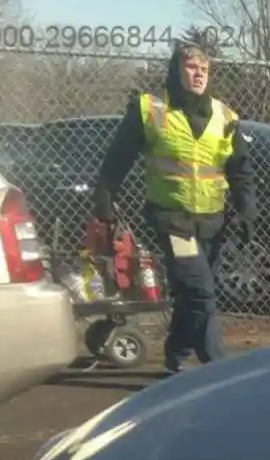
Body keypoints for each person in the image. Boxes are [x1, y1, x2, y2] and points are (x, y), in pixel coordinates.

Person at [90, 39, 256, 374]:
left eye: (204, 69)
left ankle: (176, 356)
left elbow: (240, 168)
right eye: (192, 67)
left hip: (212, 220)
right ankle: (216, 367)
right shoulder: (151, 109)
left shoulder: (224, 116)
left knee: (190, 295)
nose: (199, 75)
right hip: (172, 219)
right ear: (176, 70)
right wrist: (105, 195)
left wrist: (246, 208)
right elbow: (118, 157)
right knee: (202, 292)